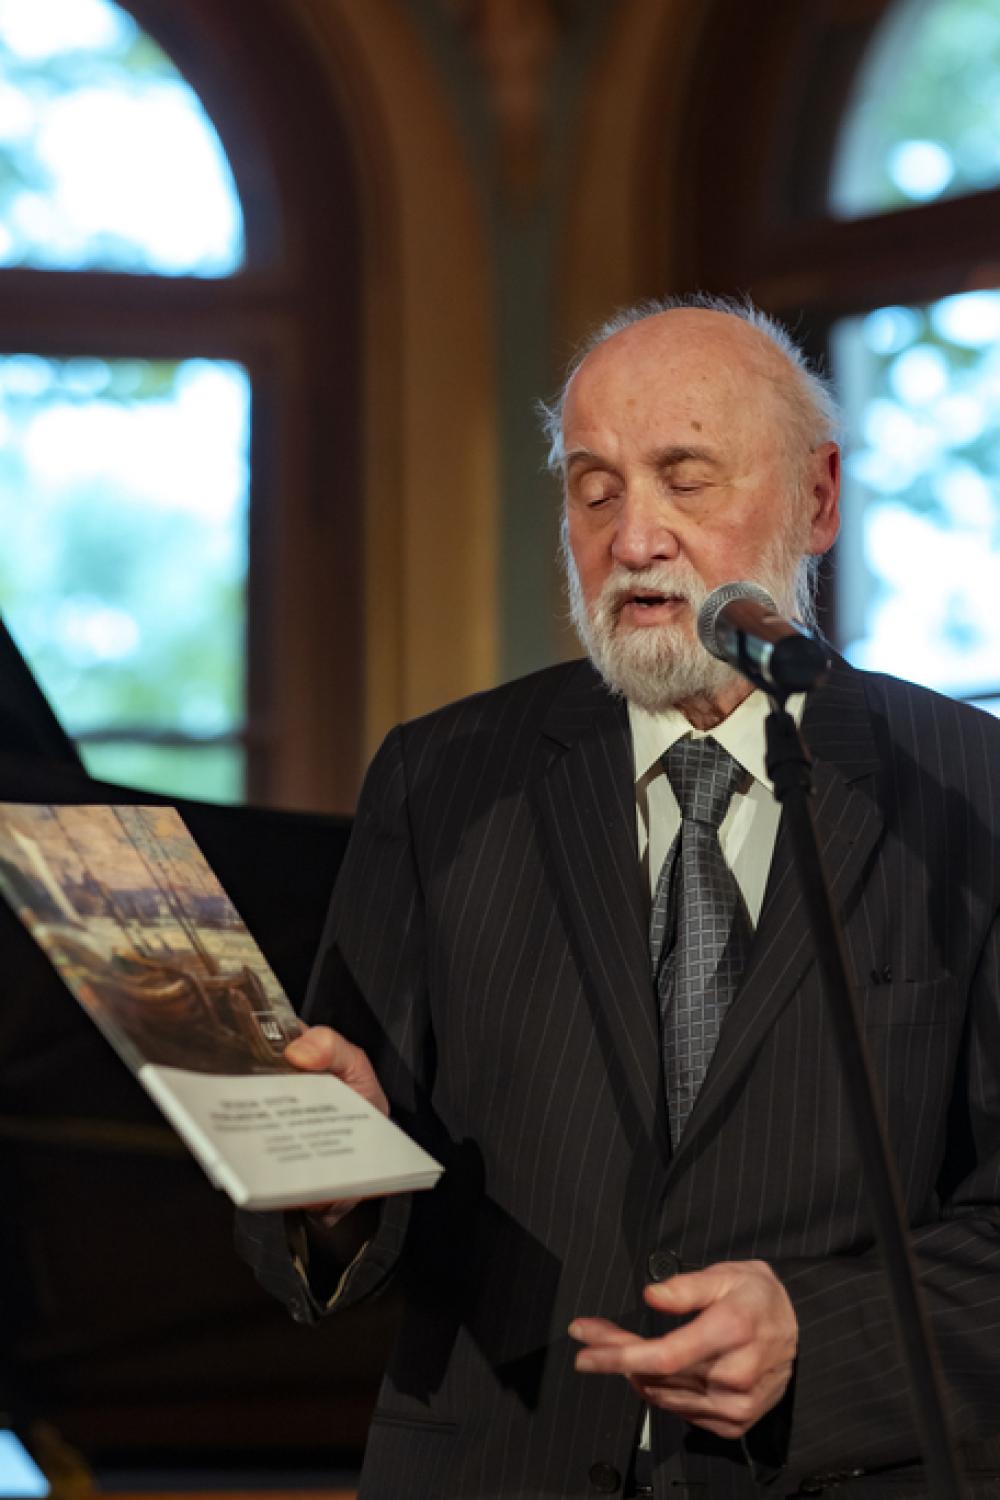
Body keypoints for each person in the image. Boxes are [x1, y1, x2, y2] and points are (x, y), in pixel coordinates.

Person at [236, 296, 1000, 1499]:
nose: (634, 537)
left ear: (817, 499)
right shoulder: (440, 780)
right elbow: (342, 1200)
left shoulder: (969, 791)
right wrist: (326, 1189)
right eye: (593, 490)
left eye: (685, 479)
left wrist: (815, 1333)